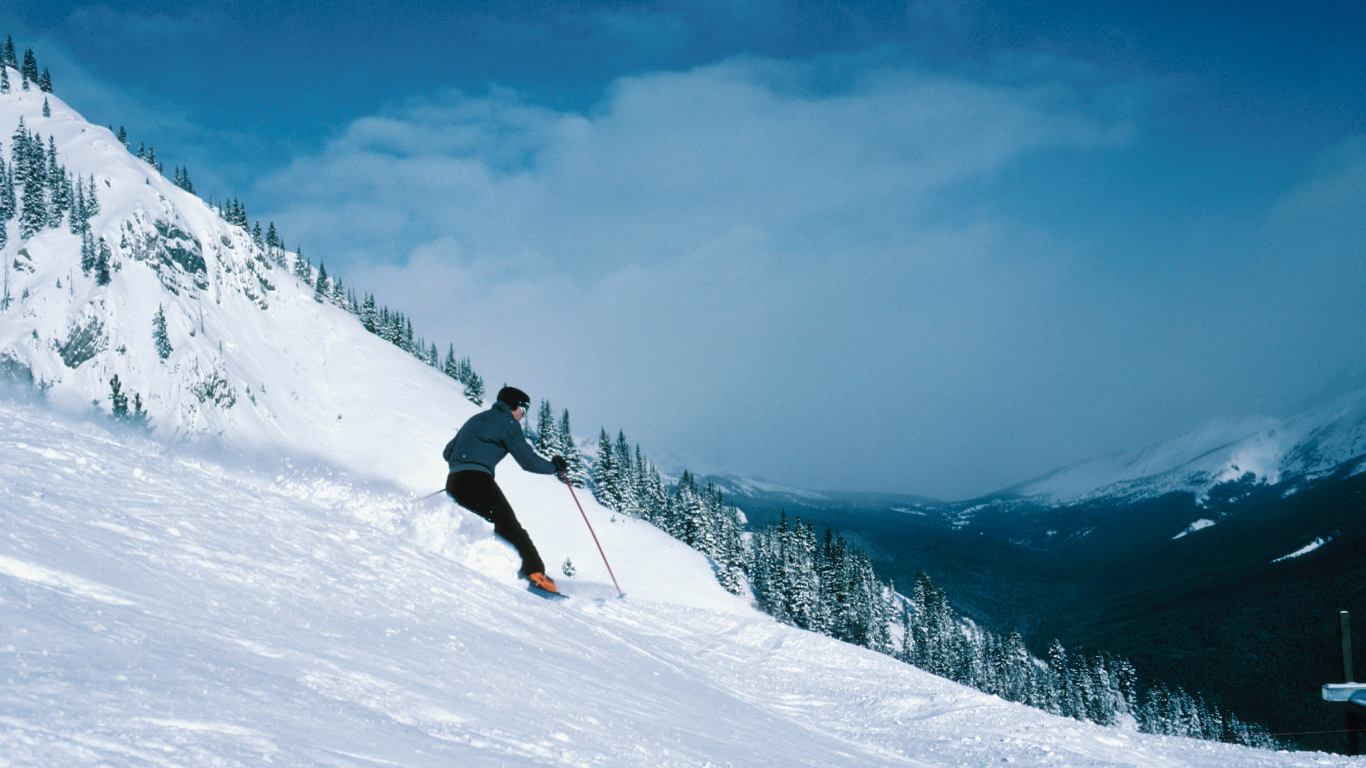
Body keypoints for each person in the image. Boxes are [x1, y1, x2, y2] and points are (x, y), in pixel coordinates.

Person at [443, 386, 570, 594]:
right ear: (513, 405)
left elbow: (447, 452)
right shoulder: (508, 424)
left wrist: (465, 463)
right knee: (508, 524)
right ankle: (536, 574)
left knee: (475, 521)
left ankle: (477, 562)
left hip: (455, 481)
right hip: (478, 481)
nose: (523, 415)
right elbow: (527, 461)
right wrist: (554, 467)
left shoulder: (476, 418)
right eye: (524, 409)